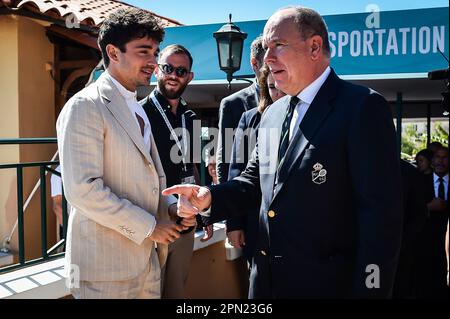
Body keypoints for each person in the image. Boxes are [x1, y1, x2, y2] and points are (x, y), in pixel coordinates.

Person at [163, 6, 403, 298]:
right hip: (265, 285)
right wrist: (210, 197)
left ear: (315, 47)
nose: (267, 58)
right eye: (265, 48)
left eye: (278, 45)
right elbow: (253, 183)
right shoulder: (273, 113)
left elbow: (380, 219)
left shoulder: (362, 108)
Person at [56, 8, 193, 299]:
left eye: (155, 53)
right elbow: (82, 190)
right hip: (104, 271)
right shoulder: (85, 106)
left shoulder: (135, 107)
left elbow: (147, 178)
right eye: (144, 51)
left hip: (146, 264)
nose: (153, 62)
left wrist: (170, 208)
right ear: (113, 52)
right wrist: (150, 228)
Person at [140, 44, 212, 298]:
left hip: (186, 218)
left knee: (175, 290)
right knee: (150, 291)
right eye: (168, 68)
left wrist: (203, 214)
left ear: (190, 77)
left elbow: (192, 166)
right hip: (154, 217)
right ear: (158, 70)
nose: (174, 75)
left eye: (181, 71)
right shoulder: (140, 114)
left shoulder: (190, 117)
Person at [227, 65, 285, 266]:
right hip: (256, 221)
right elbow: (237, 171)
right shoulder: (250, 118)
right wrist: (234, 223)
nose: (278, 92)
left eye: (280, 85)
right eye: (271, 87)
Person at [216, 36, 264, 183]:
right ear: (254, 64)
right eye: (268, 63)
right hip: (245, 192)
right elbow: (225, 157)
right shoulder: (232, 104)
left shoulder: (291, 97)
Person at [414, 146, 449, 299]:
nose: (441, 161)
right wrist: (428, 207)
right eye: (437, 157)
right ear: (432, 160)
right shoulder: (419, 182)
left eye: (445, 157)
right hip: (424, 243)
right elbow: (409, 208)